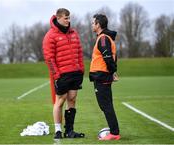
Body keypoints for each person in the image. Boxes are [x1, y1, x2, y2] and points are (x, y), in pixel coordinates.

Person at [42, 8, 85, 139]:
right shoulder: (50, 35)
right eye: (66, 18)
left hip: (75, 73)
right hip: (62, 75)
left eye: (69, 18)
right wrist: (56, 75)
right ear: (58, 18)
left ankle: (69, 131)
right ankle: (58, 131)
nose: (68, 20)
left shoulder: (74, 33)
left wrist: (81, 69)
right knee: (60, 101)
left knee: (72, 100)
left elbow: (79, 52)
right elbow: (49, 58)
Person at [89, 14, 120, 140]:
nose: (92, 25)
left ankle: (114, 133)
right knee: (106, 105)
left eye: (93, 23)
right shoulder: (103, 38)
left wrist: (112, 72)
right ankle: (114, 131)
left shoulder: (103, 38)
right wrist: (112, 72)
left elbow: (108, 57)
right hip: (102, 76)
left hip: (102, 76)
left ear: (98, 25)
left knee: (106, 105)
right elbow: (112, 57)